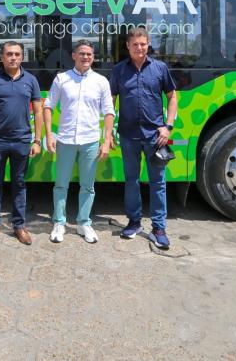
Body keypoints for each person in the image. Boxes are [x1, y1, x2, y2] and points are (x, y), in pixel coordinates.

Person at [109, 27, 178, 250]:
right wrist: (109, 131)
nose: (140, 48)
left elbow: (172, 97)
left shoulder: (160, 68)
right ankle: (134, 222)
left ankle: (158, 228)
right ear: (128, 46)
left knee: (158, 182)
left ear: (148, 45)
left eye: (143, 44)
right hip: (128, 135)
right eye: (135, 44)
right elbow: (111, 100)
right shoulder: (119, 70)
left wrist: (168, 127)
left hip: (155, 136)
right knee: (131, 180)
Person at [44, 40, 114, 244]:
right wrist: (49, 134)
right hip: (65, 140)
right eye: (82, 53)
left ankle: (84, 223)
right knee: (61, 185)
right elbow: (48, 106)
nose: (86, 57)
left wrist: (106, 139)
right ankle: (59, 222)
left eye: (89, 54)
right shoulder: (61, 79)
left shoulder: (101, 81)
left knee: (88, 186)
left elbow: (109, 111)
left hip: (91, 140)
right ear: (73, 55)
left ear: (93, 57)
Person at [0, 41, 44, 246]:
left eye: (16, 54)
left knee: (19, 184)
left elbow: (39, 111)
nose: (13, 57)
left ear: (22, 57)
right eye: (9, 54)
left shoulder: (31, 80)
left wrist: (37, 140)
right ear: (2, 57)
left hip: (22, 141)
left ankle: (19, 226)